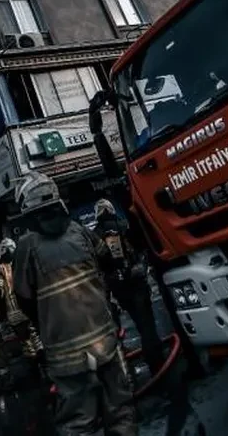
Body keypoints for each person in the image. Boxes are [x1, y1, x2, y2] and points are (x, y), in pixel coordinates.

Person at [12, 173, 137, 436]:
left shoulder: (26, 247)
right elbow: (108, 263)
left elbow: (23, 298)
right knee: (121, 412)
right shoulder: (80, 231)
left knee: (78, 424)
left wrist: (46, 323)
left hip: (65, 355)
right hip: (105, 341)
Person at [93, 198, 165, 374]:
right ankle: (158, 364)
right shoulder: (123, 224)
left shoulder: (95, 234)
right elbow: (139, 247)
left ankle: (146, 363)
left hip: (118, 286)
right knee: (146, 323)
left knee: (137, 320)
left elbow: (99, 262)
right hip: (136, 280)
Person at [0, 237, 43, 365]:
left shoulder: (1, 269)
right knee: (37, 340)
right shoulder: (22, 263)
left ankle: (36, 370)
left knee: (26, 343)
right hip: (28, 309)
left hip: (14, 314)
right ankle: (46, 369)